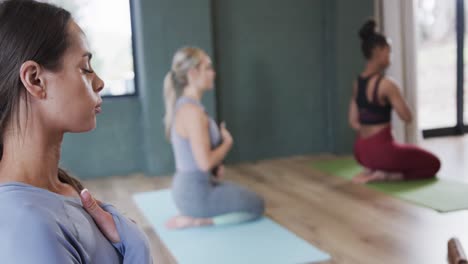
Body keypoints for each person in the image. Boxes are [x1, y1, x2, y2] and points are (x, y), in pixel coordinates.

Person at [0, 1, 151, 263]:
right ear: (35, 80)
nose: (100, 82)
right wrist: (137, 249)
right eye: (85, 68)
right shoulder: (27, 226)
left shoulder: (60, 190)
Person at [163, 47, 265, 229]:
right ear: (193, 73)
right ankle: (198, 220)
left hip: (195, 188)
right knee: (256, 205)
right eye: (208, 68)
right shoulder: (192, 112)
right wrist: (227, 143)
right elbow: (204, 163)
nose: (213, 73)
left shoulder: (188, 107)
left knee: (247, 198)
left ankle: (195, 214)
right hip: (195, 194)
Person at [349, 19, 440, 183]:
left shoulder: (358, 83)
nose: (390, 56)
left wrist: (371, 131)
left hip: (361, 151)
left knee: (395, 154)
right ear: (378, 51)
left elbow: (353, 121)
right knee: (433, 164)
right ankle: (387, 174)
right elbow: (407, 117)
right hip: (382, 153)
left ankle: (373, 168)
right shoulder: (387, 84)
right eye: (388, 51)